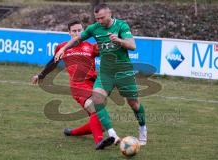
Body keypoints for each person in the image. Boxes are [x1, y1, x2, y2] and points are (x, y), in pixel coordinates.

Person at [55, 3, 147, 146]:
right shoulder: (94, 28)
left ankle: (142, 129)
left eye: (102, 18)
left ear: (110, 14)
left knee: (133, 103)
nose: (99, 21)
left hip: (123, 71)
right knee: (97, 99)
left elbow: (132, 46)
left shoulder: (121, 26)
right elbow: (78, 39)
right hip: (105, 72)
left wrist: (119, 40)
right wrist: (64, 49)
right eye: (97, 18)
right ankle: (112, 135)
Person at [31, 18, 116, 150]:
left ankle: (72, 132)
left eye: (79, 30)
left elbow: (108, 51)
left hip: (93, 84)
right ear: (69, 33)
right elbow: (53, 62)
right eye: (74, 31)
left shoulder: (90, 46)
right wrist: (41, 75)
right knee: (95, 108)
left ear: (83, 31)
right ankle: (99, 142)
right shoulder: (62, 47)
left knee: (103, 124)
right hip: (78, 86)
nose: (77, 33)